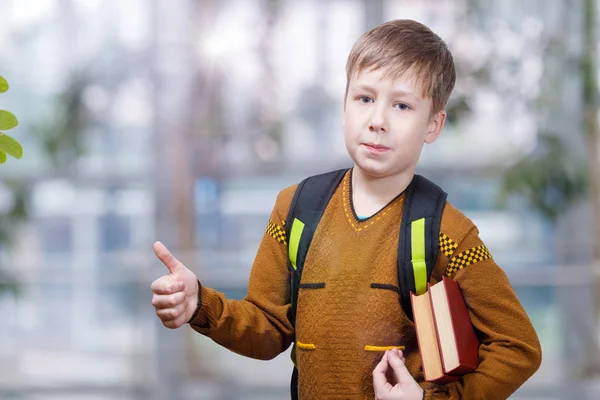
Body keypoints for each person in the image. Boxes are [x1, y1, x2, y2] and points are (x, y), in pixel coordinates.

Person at [151, 19, 542, 399]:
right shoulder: (295, 210)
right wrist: (200, 304)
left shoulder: (447, 233)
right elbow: (267, 329)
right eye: (365, 98)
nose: (377, 121)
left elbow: (518, 346)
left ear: (433, 125)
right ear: (345, 105)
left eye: (402, 106)